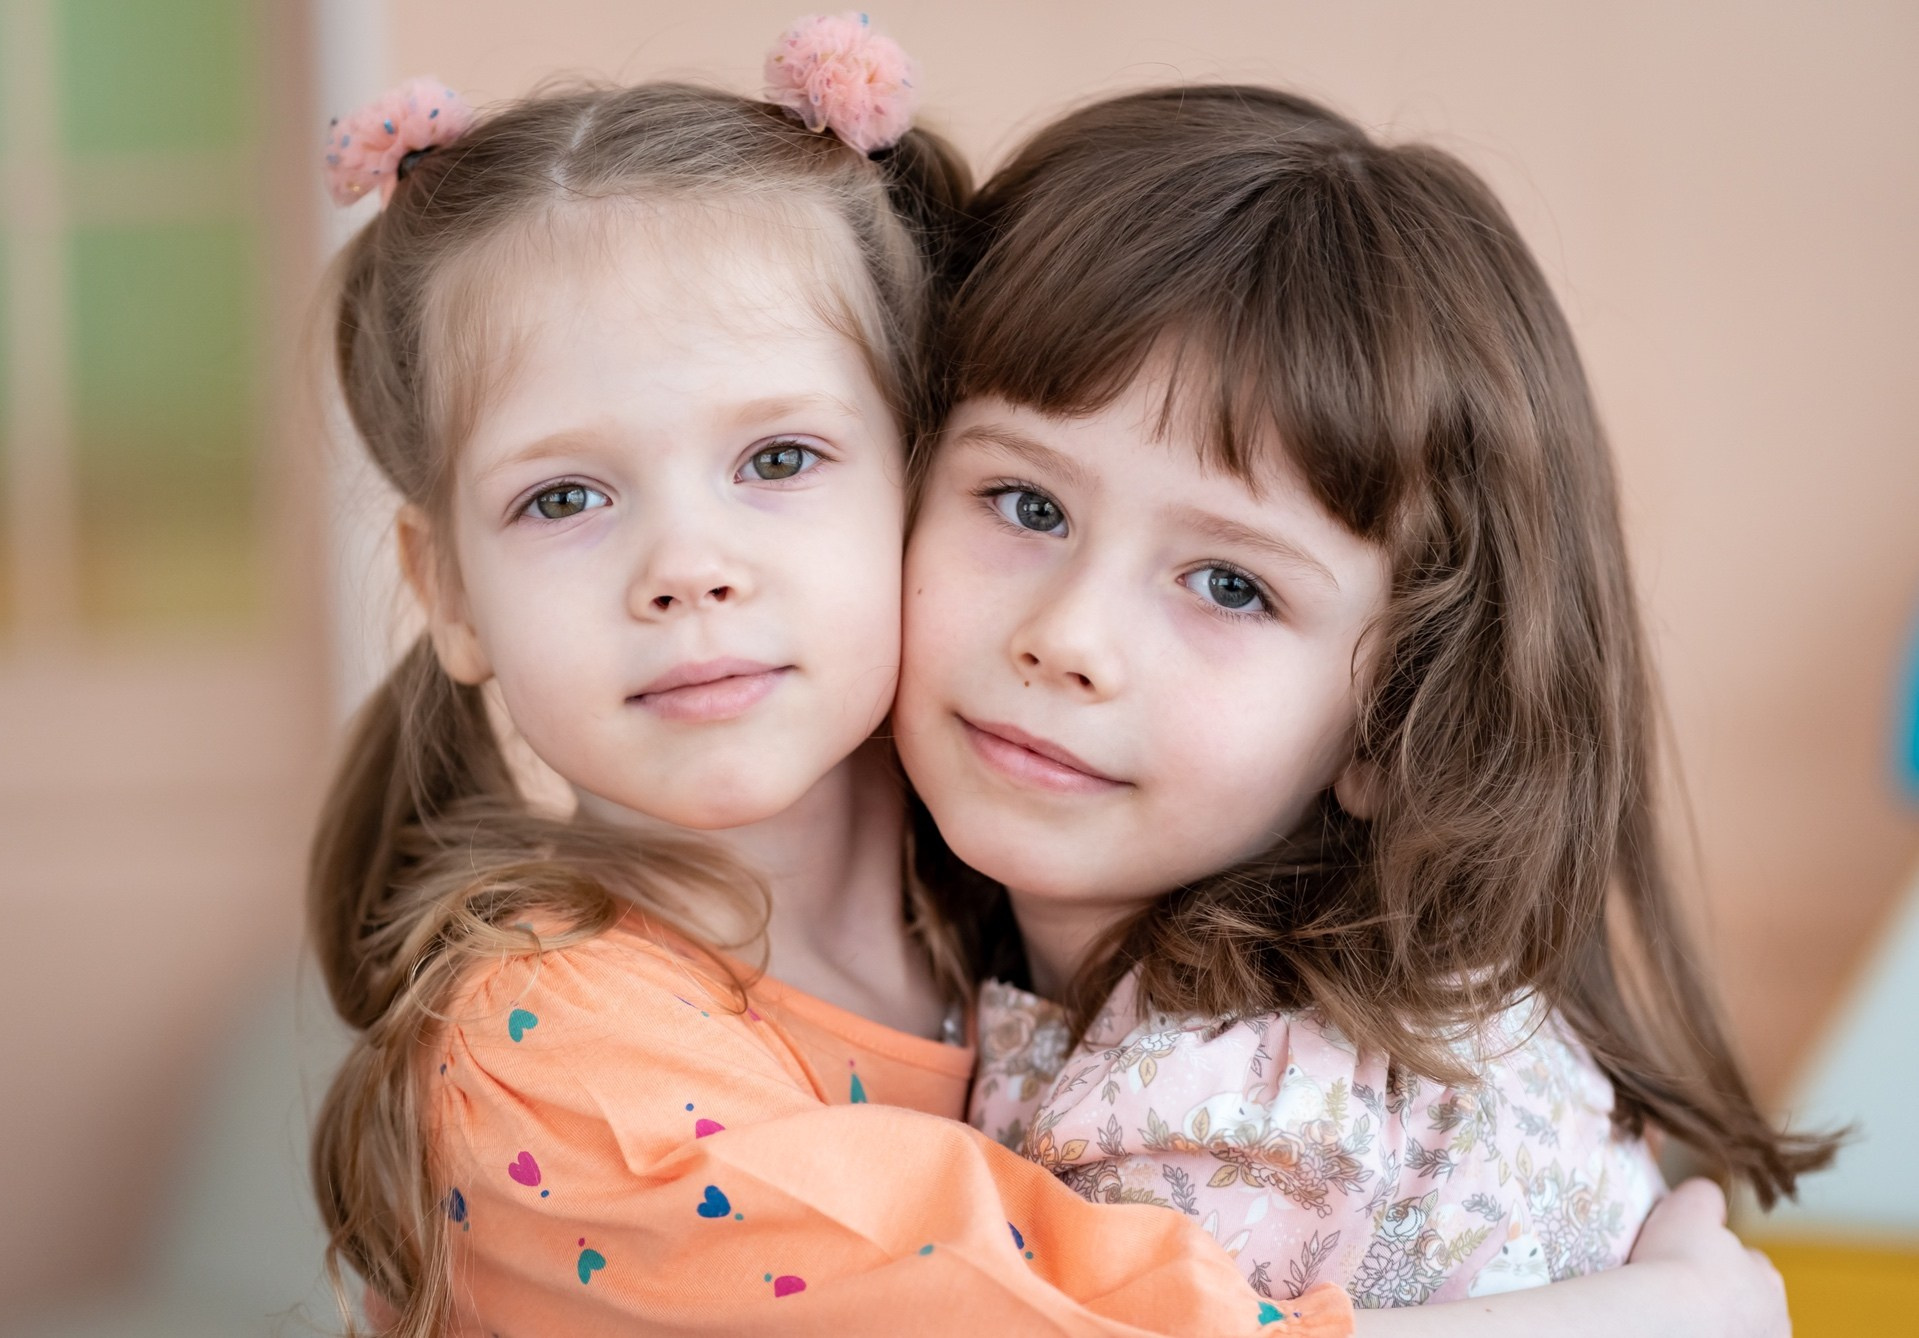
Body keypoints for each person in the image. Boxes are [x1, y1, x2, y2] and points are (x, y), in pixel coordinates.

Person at [307, 20, 1794, 1337]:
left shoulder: (1150, 1017)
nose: (685, 568)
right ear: (444, 590)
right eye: (562, 497)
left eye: (777, 460)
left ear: (889, 469)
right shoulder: (560, 1058)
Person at [892, 84, 1834, 1311]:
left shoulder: (1232, 1110)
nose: (1068, 637)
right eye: (1029, 505)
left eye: (1229, 584)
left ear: (1396, 722)